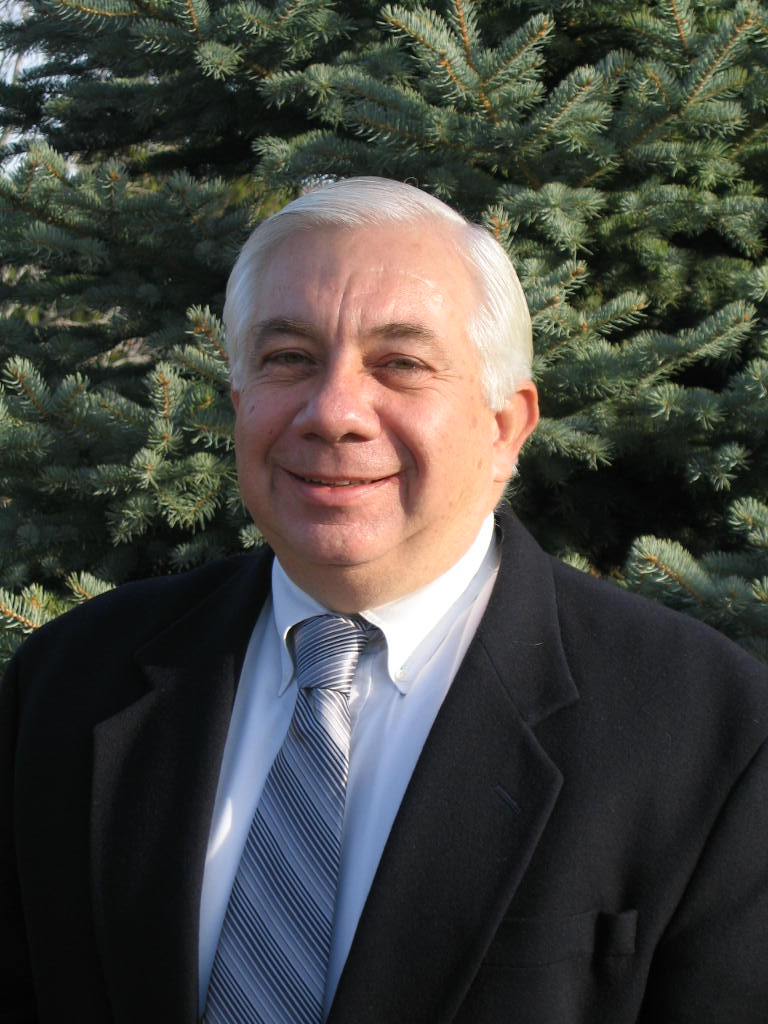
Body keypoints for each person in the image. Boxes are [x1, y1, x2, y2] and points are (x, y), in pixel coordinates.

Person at [2, 177, 767, 1024]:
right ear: (239, 406)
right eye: (288, 358)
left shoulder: (711, 733)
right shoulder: (68, 684)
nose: (333, 413)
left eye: (400, 363)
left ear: (506, 428)